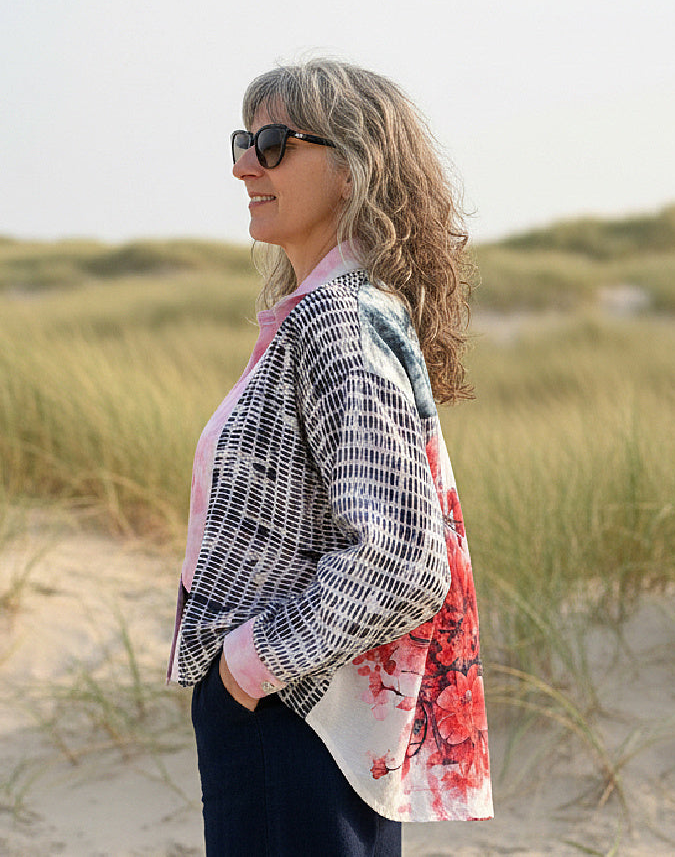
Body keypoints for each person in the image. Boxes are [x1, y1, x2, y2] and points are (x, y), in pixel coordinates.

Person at [167, 58, 493, 856]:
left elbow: (403, 560)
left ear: (352, 168)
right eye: (244, 139)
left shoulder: (336, 323)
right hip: (307, 715)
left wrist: (247, 669)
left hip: (295, 716)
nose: (244, 163)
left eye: (273, 143)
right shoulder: (331, 313)